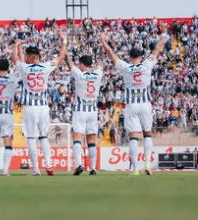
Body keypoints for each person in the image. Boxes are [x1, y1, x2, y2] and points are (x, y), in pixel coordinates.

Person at [100, 30, 168, 175]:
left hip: (131, 105)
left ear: (130, 58)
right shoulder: (146, 65)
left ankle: (135, 169)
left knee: (133, 137)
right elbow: (157, 50)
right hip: (145, 104)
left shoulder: (126, 67)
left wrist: (103, 41)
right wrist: (163, 36)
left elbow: (111, 54)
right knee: (147, 134)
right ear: (141, 57)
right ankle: (148, 165)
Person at [14, 35, 67, 176]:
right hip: (43, 107)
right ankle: (49, 166)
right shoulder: (45, 66)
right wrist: (64, 40)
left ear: (29, 57)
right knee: (43, 137)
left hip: (30, 108)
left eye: (26, 56)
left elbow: (16, 59)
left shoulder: (24, 68)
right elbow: (61, 56)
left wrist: (16, 45)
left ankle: (36, 169)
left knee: (31, 138)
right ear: (38, 56)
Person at [65, 53, 103, 176]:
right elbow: (100, 66)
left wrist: (65, 55)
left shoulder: (79, 74)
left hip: (80, 110)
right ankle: (92, 168)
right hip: (93, 111)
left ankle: (79, 165)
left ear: (81, 64)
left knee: (77, 138)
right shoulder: (98, 74)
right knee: (91, 140)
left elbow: (69, 64)